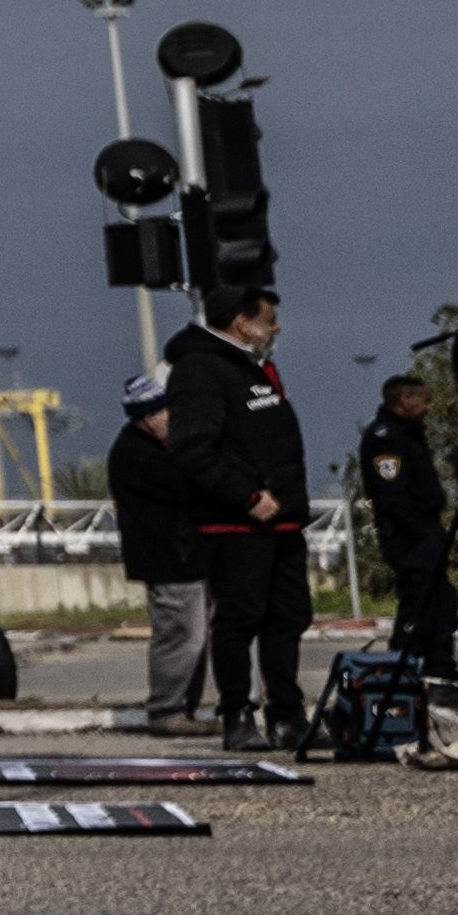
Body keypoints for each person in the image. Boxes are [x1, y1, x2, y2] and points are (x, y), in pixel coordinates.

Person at [170, 293, 314, 749]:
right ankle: (237, 714)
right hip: (237, 525)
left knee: (287, 619)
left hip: (283, 523)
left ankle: (287, 714)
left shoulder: (255, 369)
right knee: (237, 620)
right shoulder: (200, 369)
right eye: (269, 320)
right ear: (241, 322)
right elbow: (194, 448)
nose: (277, 330)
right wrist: (247, 497)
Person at [107, 392, 213, 737]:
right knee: (181, 636)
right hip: (169, 559)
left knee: (193, 636)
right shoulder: (138, 455)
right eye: (165, 411)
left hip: (180, 557)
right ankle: (167, 708)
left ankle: (183, 707)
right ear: (149, 417)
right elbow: (185, 490)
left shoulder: (145, 450)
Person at [357, 371, 458, 704]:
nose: (429, 406)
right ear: (404, 401)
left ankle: (440, 674)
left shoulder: (409, 434)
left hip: (426, 532)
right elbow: (393, 495)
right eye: (422, 399)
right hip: (409, 536)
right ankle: (402, 676)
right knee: (418, 607)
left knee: (441, 603)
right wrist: (420, 534)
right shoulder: (386, 438)